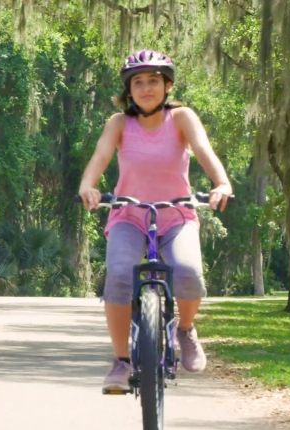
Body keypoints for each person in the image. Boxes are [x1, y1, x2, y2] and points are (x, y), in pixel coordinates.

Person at [77, 49, 232, 391]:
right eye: (138, 82)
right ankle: (121, 362)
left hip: (176, 214)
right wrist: (88, 186)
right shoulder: (119, 124)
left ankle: (185, 329)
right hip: (128, 215)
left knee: (189, 273)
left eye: (153, 81)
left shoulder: (182, 118)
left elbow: (204, 151)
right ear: (128, 90)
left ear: (167, 86)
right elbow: (100, 157)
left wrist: (221, 183)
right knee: (118, 276)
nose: (146, 88)